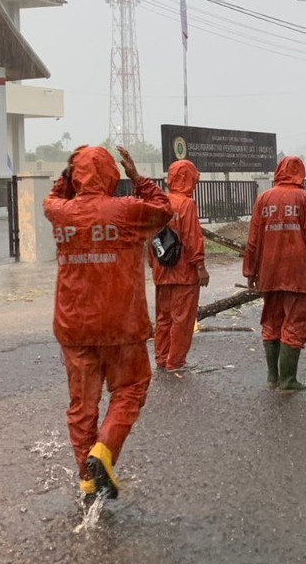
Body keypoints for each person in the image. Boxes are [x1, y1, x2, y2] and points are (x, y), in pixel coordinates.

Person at [44, 145, 172, 504]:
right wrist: (138, 177)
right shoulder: (127, 211)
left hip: (73, 324)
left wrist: (68, 177)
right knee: (130, 387)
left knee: (82, 404)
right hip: (121, 323)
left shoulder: (60, 213)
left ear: (76, 175)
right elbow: (165, 208)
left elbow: (54, 196)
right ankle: (105, 451)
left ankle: (86, 479)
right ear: (110, 174)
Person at [243, 156, 306, 391]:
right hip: (298, 274)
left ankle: (273, 378)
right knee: (295, 324)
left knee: (271, 323)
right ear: (300, 173)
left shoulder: (264, 199)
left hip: (269, 272)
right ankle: (288, 380)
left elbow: (254, 239)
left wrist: (250, 272)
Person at [149, 159, 210, 372]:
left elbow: (150, 237)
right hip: (184, 273)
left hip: (162, 272)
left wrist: (153, 263)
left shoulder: (159, 202)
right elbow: (193, 238)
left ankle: (161, 357)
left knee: (163, 317)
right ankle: (175, 362)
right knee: (182, 319)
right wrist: (200, 267)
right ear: (188, 179)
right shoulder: (186, 205)